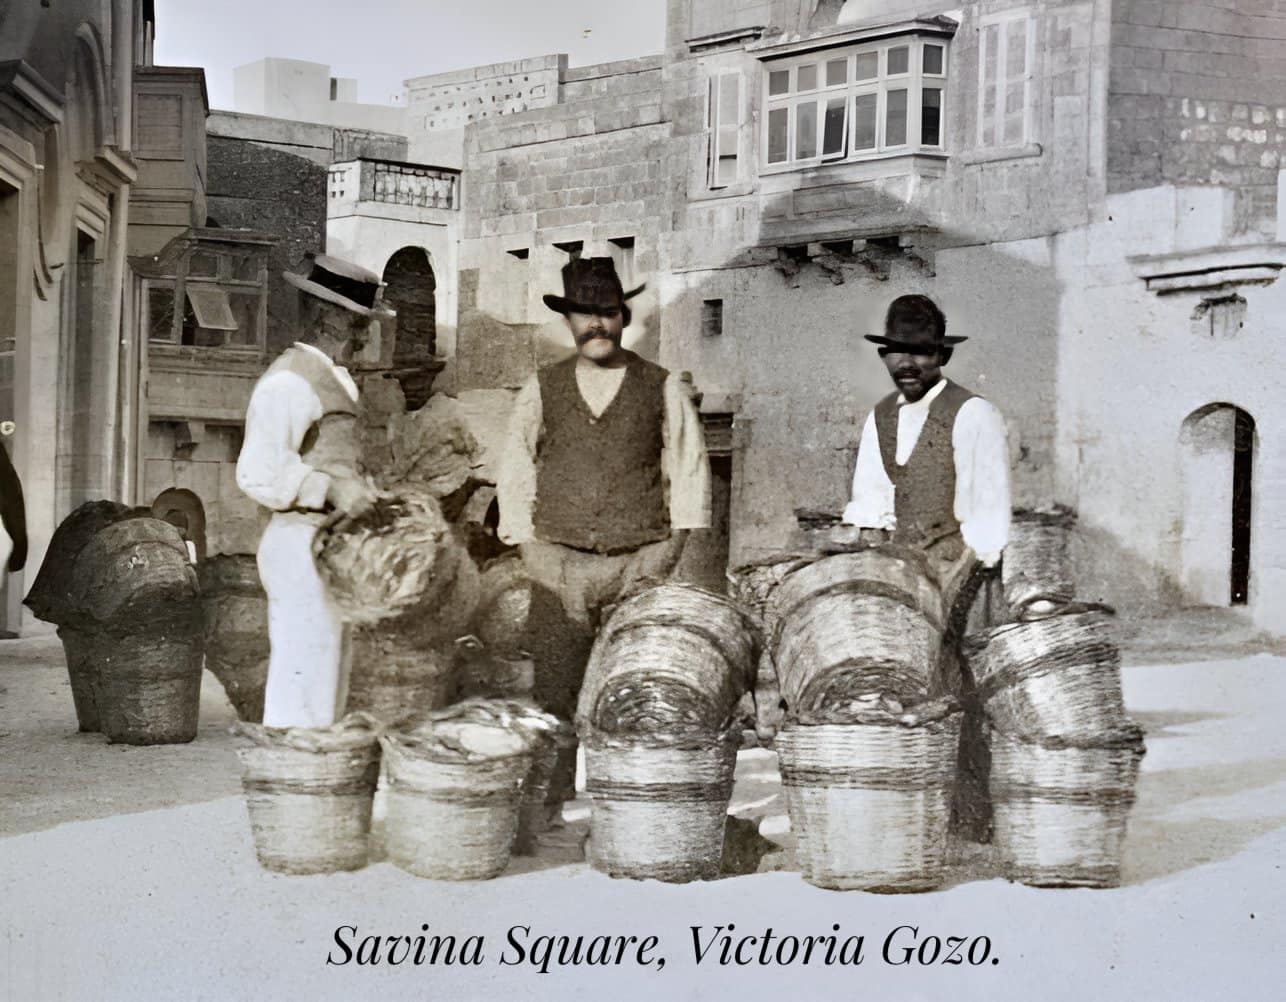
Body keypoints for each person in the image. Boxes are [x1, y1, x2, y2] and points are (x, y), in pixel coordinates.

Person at [496, 257, 712, 813]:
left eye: (607, 313)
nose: (596, 325)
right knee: (553, 687)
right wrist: (529, 548)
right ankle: (549, 797)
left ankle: (629, 802)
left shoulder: (660, 387)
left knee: (636, 683)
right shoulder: (542, 388)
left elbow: (689, 469)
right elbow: (516, 467)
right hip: (558, 563)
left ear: (624, 316)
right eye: (583, 315)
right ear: (568, 322)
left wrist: (667, 555)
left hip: (636, 564)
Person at [839, 293, 1011, 842]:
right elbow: (872, 503)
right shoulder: (882, 417)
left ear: (942, 356)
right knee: (907, 693)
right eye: (896, 354)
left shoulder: (973, 413)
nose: (906, 366)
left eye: (921, 354)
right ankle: (920, 815)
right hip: (907, 574)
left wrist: (951, 589)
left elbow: (988, 517)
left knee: (964, 693)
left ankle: (976, 817)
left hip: (966, 573)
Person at [235, 254, 390, 729]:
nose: (365, 335)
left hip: (330, 548)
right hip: (299, 543)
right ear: (328, 316)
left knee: (326, 681)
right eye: (358, 322)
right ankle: (292, 780)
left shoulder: (334, 378)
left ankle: (314, 785)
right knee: (302, 684)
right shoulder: (289, 380)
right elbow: (257, 471)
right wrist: (330, 489)